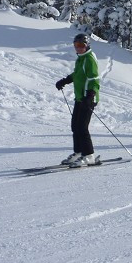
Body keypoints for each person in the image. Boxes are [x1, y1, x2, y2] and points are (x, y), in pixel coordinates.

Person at [55, 33, 101, 167]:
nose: (78, 48)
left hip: (88, 98)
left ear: (87, 46)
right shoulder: (81, 59)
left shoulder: (89, 58)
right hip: (80, 97)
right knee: (75, 126)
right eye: (76, 45)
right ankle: (79, 152)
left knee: (82, 127)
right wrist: (65, 80)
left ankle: (89, 155)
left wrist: (91, 95)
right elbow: (77, 74)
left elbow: (94, 78)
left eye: (81, 45)